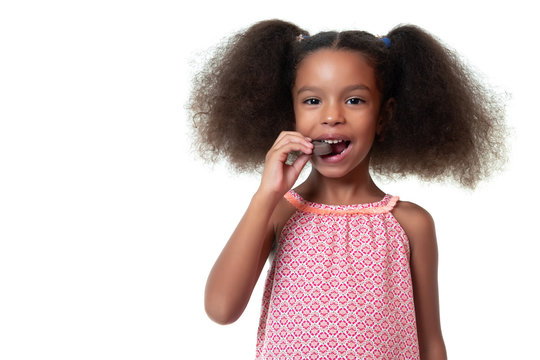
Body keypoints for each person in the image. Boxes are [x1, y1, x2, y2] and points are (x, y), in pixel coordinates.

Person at [188, 19, 506, 360]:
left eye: (354, 100)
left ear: (384, 117)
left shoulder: (411, 224)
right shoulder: (278, 211)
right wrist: (266, 194)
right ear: (291, 114)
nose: (332, 116)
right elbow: (221, 309)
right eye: (312, 101)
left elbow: (430, 343)